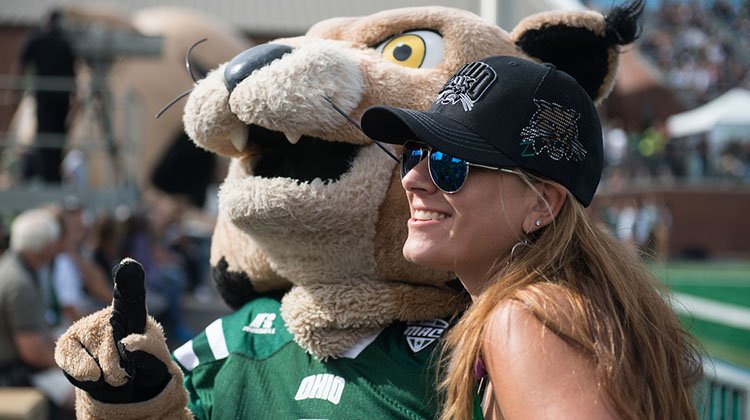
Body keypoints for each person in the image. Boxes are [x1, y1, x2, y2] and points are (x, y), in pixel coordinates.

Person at [361, 56, 702, 419]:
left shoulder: (528, 321)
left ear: (541, 202)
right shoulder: (560, 307)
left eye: (449, 162)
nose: (412, 179)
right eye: (415, 154)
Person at [0, 208, 75, 418]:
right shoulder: (19, 283)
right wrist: (73, 367)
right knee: (90, 398)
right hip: (14, 373)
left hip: (22, 365)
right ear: (46, 247)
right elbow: (31, 351)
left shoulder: (15, 267)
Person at [16, 9, 76, 183]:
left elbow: (21, 65)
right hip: (60, 98)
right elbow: (73, 74)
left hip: (46, 97)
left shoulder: (37, 39)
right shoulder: (65, 42)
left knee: (47, 135)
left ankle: (48, 175)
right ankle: (51, 175)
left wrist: (16, 91)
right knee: (55, 137)